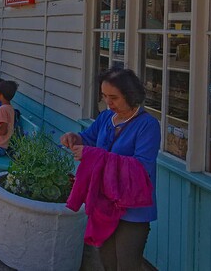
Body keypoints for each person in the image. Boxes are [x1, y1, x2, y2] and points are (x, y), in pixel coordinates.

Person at [61, 67, 160, 271]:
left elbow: (141, 168)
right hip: (104, 203)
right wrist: (74, 137)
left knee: (127, 265)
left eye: (114, 97)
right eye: (105, 96)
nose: (108, 102)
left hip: (133, 210)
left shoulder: (148, 125)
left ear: (131, 96)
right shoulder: (106, 118)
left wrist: (93, 155)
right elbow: (88, 138)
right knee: (107, 262)